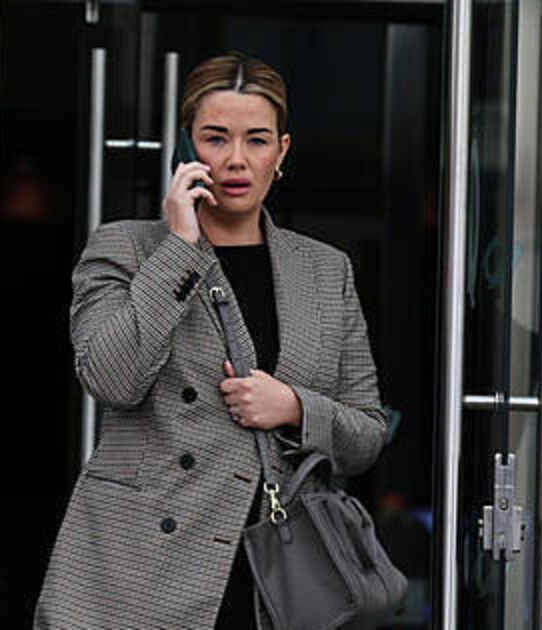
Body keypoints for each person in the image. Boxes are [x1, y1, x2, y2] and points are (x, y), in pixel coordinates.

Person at [33, 52, 388, 629]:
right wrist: (180, 245)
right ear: (186, 147)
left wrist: (295, 408)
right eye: (216, 138)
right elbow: (111, 380)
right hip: (139, 572)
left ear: (282, 152)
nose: (236, 159)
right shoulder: (126, 248)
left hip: (276, 577)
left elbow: (367, 432)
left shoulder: (326, 270)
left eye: (257, 140)